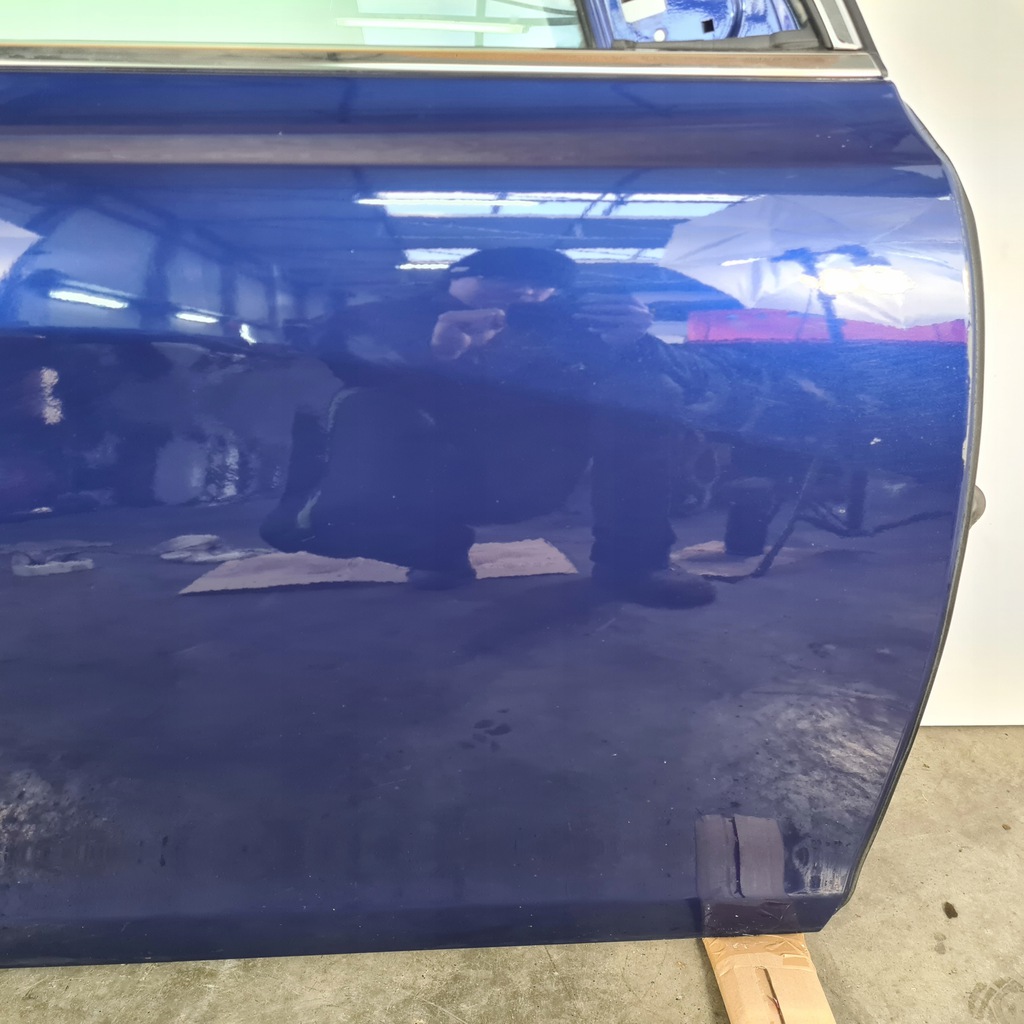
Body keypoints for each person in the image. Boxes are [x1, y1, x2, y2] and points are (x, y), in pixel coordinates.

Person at [262, 247, 714, 608]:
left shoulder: (569, 326)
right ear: (458, 275)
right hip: (429, 472)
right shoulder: (382, 317)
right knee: (361, 422)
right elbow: (330, 373)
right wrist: (436, 355)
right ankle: (435, 549)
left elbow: (695, 383)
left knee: (645, 389)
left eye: (542, 286)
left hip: (536, 470)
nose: (527, 292)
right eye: (507, 279)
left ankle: (633, 563)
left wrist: (635, 345)